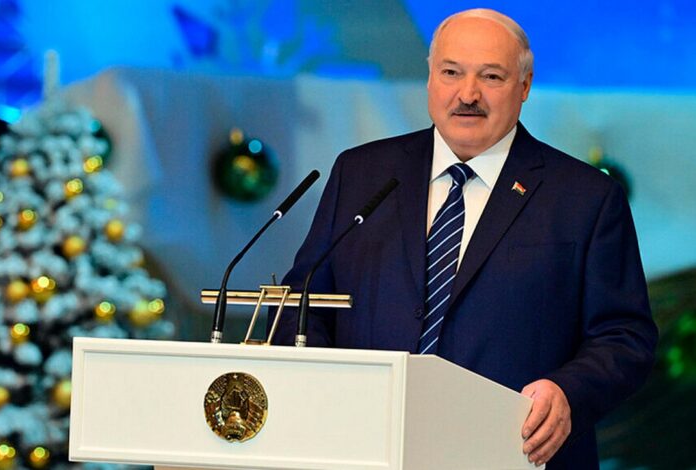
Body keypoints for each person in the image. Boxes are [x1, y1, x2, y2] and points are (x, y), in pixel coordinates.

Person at [268, 8, 657, 469]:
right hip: (367, 450)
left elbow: (624, 336)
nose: (467, 94)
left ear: (525, 86)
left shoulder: (585, 197)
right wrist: (327, 394)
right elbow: (300, 304)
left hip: (514, 454)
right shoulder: (362, 173)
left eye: (491, 77)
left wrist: (568, 392)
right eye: (451, 72)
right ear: (430, 77)